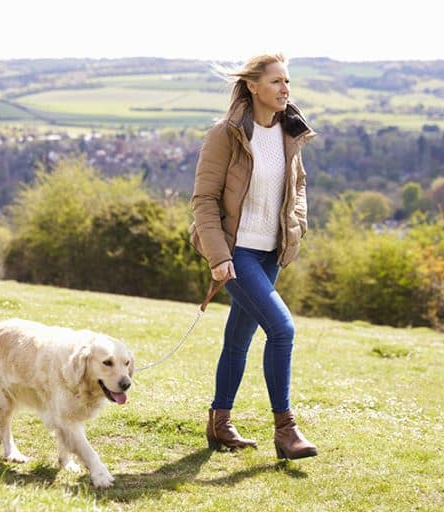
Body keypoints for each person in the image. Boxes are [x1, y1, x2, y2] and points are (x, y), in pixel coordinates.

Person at [189, 53, 317, 460]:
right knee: (282, 330)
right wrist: (218, 256)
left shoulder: (289, 132)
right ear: (253, 87)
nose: (285, 90)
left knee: (239, 338)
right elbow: (204, 201)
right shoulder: (226, 135)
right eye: (277, 82)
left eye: (287, 82)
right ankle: (286, 430)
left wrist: (295, 227)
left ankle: (219, 421)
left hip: (269, 254)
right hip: (237, 251)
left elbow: (297, 189)